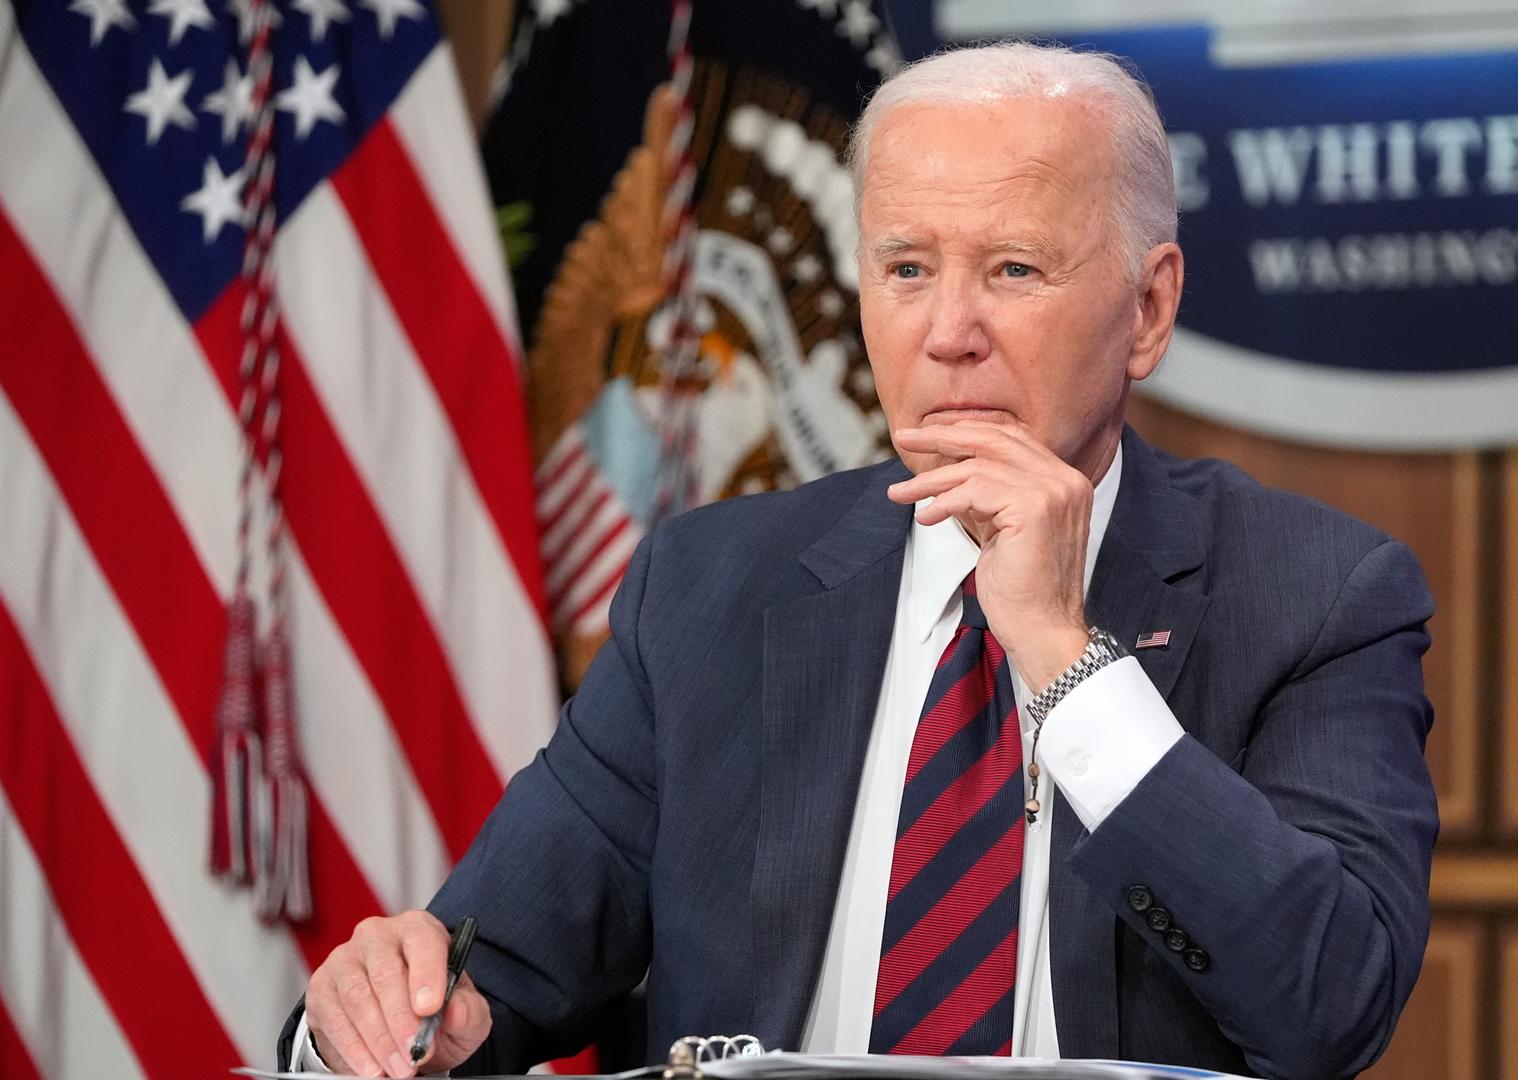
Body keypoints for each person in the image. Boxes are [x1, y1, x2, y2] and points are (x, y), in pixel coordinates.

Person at [281, 41, 1438, 1080]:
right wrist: (387, 1025)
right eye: (906, 269)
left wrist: (1062, 656)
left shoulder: (1318, 595)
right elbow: (490, 981)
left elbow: (1326, 1006)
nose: (948, 331)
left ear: (1147, 308)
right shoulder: (706, 590)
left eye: (1015, 271)